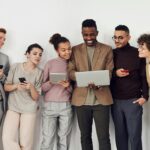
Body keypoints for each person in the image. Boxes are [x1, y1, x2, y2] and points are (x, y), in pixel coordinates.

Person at [68, 19, 114, 150]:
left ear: (97, 33)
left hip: (101, 100)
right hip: (81, 101)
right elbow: (70, 71)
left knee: (104, 136)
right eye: (85, 34)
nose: (88, 37)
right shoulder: (75, 50)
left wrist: (99, 83)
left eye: (92, 34)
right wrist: (81, 78)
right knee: (85, 136)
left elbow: (109, 71)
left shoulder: (107, 49)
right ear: (82, 33)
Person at [111, 25, 149, 150]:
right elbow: (105, 73)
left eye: (120, 37)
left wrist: (145, 96)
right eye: (115, 37)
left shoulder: (137, 53)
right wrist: (115, 73)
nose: (117, 40)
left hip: (133, 101)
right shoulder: (111, 54)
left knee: (134, 137)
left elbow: (144, 76)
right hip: (115, 101)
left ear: (128, 37)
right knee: (120, 136)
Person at [2, 43, 43, 150]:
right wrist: (16, 86)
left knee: (26, 143)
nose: (38, 56)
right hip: (13, 108)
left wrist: (31, 87)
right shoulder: (15, 66)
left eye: (40, 54)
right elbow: (6, 87)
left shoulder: (39, 73)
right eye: (35, 53)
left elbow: (36, 97)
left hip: (29, 110)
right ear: (27, 54)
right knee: (7, 138)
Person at [41, 34, 73, 150]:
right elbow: (42, 88)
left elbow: (75, 90)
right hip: (49, 106)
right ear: (57, 50)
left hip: (66, 106)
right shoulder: (50, 64)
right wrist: (51, 82)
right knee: (47, 139)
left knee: (63, 140)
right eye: (63, 50)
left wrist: (68, 86)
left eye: (69, 49)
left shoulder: (72, 64)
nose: (67, 52)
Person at [0, 28, 10, 124]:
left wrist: (2, 76)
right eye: (0, 38)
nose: (3, 41)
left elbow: (8, 82)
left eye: (4, 39)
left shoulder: (5, 58)